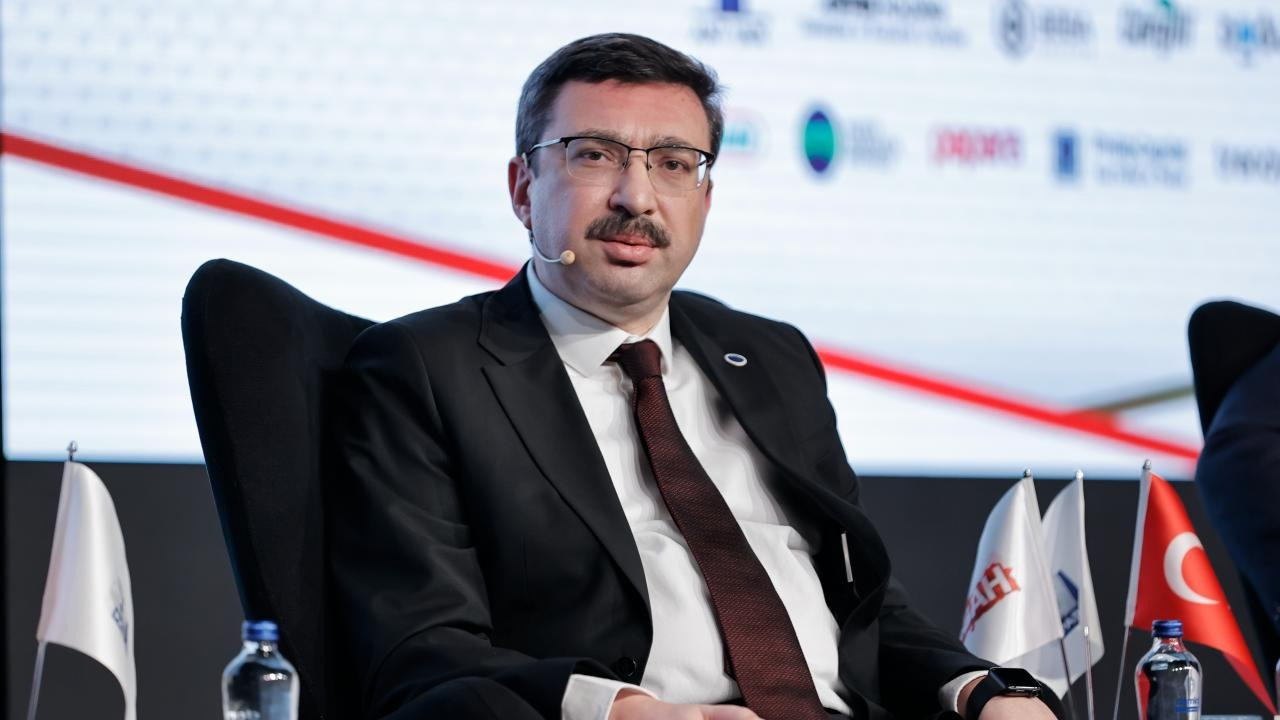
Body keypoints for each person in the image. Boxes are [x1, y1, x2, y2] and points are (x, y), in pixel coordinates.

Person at [329, 33, 1062, 720]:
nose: (637, 197)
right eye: (595, 156)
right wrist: (628, 713)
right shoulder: (426, 369)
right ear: (523, 188)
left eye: (674, 164)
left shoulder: (773, 358)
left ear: (704, 200)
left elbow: (864, 612)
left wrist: (979, 689)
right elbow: (420, 651)